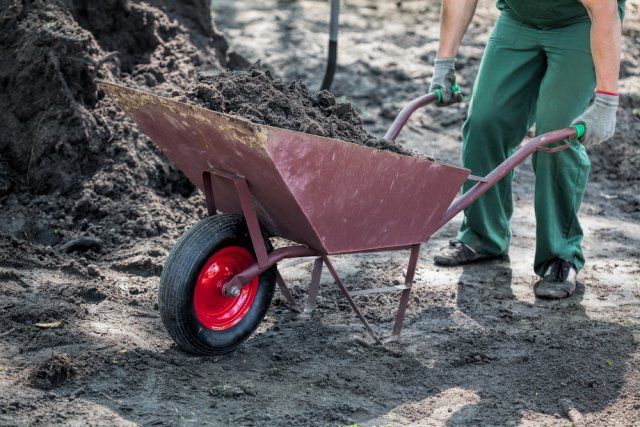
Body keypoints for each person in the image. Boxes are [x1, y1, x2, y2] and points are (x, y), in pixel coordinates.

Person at [430, 0, 625, 299]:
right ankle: (483, 236)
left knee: (556, 134)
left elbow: (603, 10)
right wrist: (444, 63)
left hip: (580, 23)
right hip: (518, 20)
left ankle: (561, 256)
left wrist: (607, 102)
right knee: (484, 123)